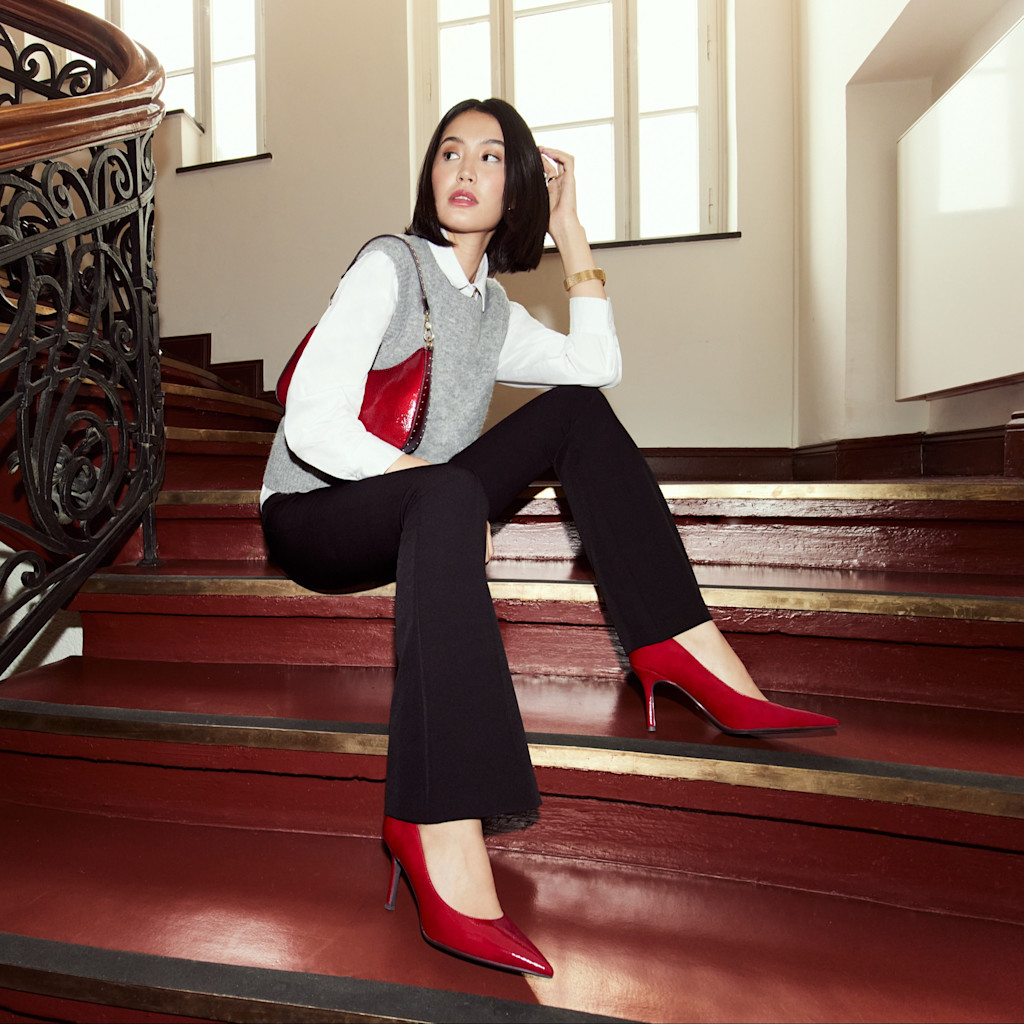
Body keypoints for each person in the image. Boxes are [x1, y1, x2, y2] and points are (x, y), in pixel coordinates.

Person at [260, 97, 838, 979]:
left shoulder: (490, 309)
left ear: (515, 190)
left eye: (492, 159)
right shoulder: (389, 266)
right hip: (319, 512)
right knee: (449, 491)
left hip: (425, 509)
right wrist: (433, 488)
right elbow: (311, 423)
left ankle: (678, 642)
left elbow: (595, 367)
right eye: (449, 152)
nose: (463, 170)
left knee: (576, 411)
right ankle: (435, 821)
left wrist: (572, 236)